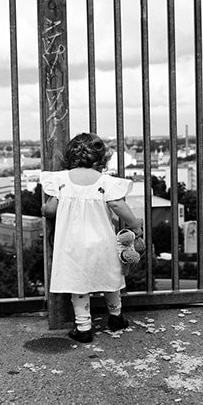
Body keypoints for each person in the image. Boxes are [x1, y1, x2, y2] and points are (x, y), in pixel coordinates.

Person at [40, 133, 143, 343]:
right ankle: (116, 318)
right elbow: (117, 205)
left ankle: (84, 328)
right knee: (111, 279)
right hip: (102, 241)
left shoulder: (61, 180)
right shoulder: (105, 182)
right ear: (100, 158)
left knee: (78, 285)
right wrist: (135, 224)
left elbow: (50, 209)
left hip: (71, 244)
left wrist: (44, 208)